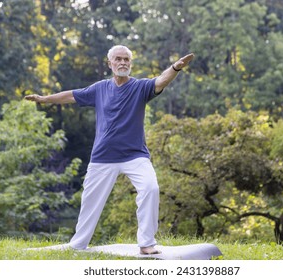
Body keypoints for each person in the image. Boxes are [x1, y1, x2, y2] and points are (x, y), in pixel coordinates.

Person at [25, 45, 194, 255]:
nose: (123, 62)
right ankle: (78, 244)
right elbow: (71, 96)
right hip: (103, 157)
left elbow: (161, 81)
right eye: (118, 59)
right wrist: (44, 99)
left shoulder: (140, 87)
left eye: (126, 59)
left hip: (135, 155)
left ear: (130, 63)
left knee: (150, 188)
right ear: (110, 63)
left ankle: (147, 244)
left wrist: (175, 67)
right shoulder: (99, 88)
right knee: (90, 202)